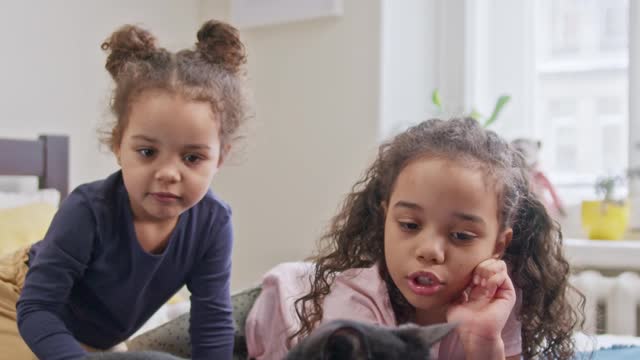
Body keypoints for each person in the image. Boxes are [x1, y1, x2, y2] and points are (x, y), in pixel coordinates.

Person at [0, 19, 249, 360]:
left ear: (220, 157)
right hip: (19, 304)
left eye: (192, 157)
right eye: (147, 152)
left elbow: (211, 321)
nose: (167, 173)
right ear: (118, 144)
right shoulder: (88, 210)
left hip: (93, 335)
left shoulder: (213, 223)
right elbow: (39, 308)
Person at [246, 118, 584, 359]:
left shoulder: (495, 301)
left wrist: (483, 340)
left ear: (499, 244)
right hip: (280, 309)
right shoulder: (355, 304)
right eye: (409, 225)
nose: (429, 251)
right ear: (384, 220)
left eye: (461, 235)